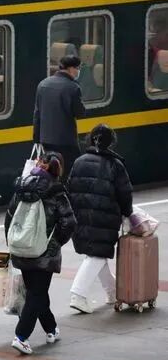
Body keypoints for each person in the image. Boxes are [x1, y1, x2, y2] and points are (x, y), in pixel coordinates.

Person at [4, 152, 76, 355]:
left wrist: (13, 242)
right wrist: (55, 243)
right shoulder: (56, 191)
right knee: (36, 294)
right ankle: (21, 336)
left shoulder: (22, 188)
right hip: (44, 253)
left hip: (21, 248)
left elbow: (9, 217)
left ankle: (51, 329)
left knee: (37, 291)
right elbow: (69, 222)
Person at [67, 124, 133, 313]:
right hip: (104, 217)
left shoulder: (79, 161)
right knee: (97, 254)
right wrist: (127, 214)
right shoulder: (115, 164)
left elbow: (69, 187)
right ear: (110, 142)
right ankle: (78, 294)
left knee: (97, 252)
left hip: (80, 215)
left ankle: (112, 291)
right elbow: (125, 193)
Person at [32, 55, 86, 176]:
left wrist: (37, 139)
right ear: (71, 69)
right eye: (78, 68)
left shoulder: (43, 84)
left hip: (46, 139)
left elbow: (37, 113)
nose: (78, 71)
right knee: (68, 172)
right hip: (66, 141)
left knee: (51, 171)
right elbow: (80, 113)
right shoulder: (73, 87)